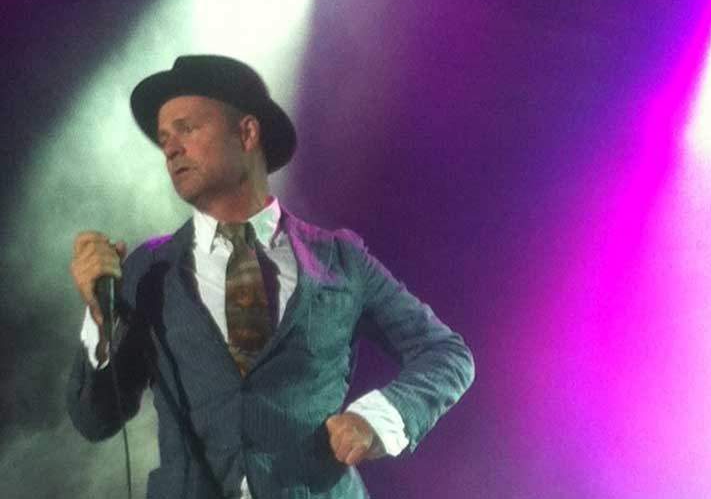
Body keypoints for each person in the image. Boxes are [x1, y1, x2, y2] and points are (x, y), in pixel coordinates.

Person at [66, 54, 475, 499]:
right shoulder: (149, 269)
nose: (170, 148)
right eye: (164, 138)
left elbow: (446, 352)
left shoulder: (341, 259)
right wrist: (99, 320)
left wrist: (377, 419)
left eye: (187, 128)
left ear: (247, 132)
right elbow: (96, 420)